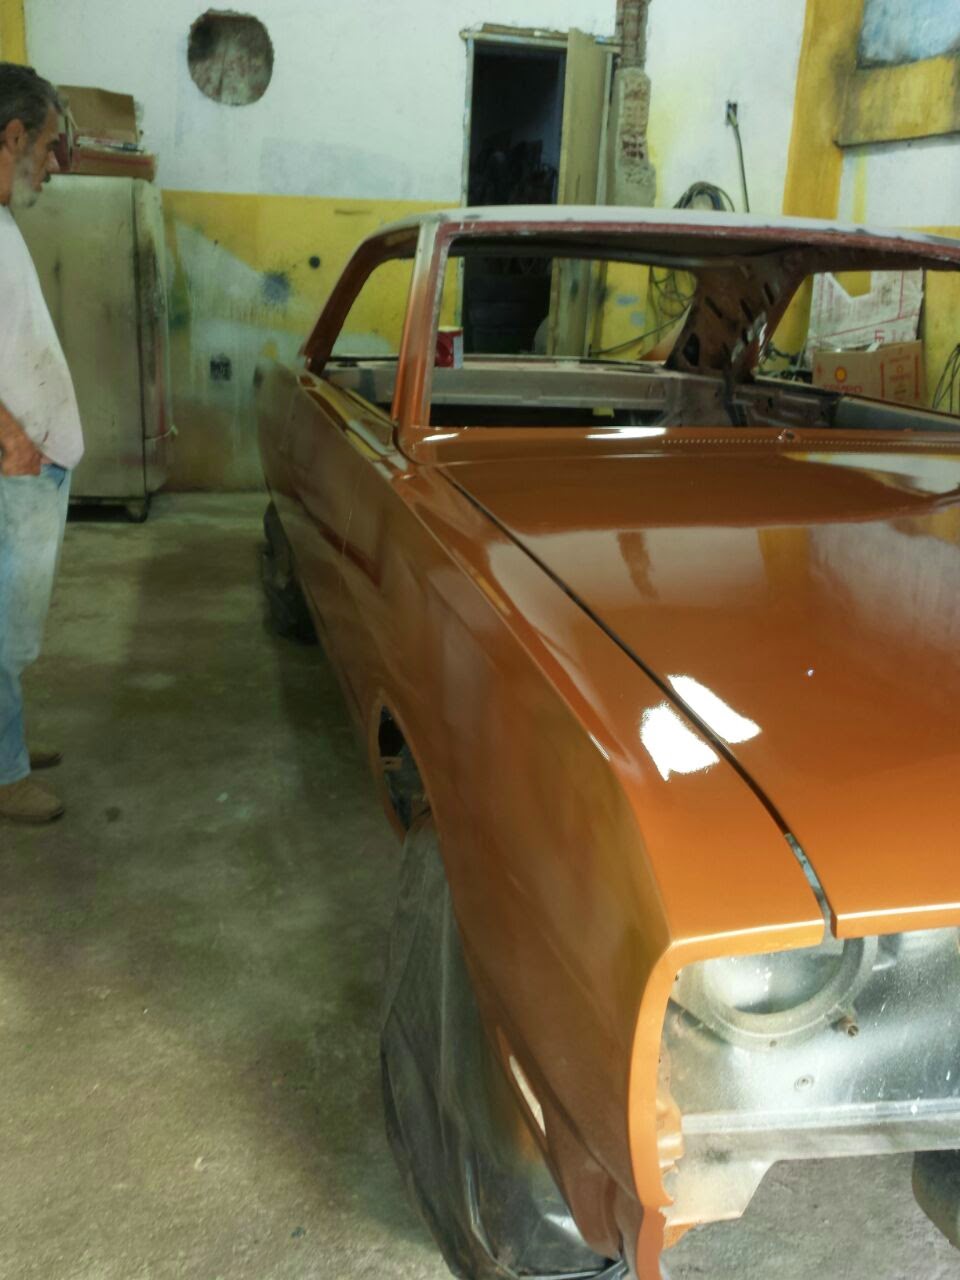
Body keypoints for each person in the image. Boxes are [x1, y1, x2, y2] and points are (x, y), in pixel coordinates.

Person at [0, 63, 83, 824]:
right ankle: (5, 776)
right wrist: (15, 442)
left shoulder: (2, 219)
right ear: (13, 135)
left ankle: (9, 743)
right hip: (13, 466)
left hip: (30, 465)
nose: (54, 165)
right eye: (50, 147)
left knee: (13, 627)